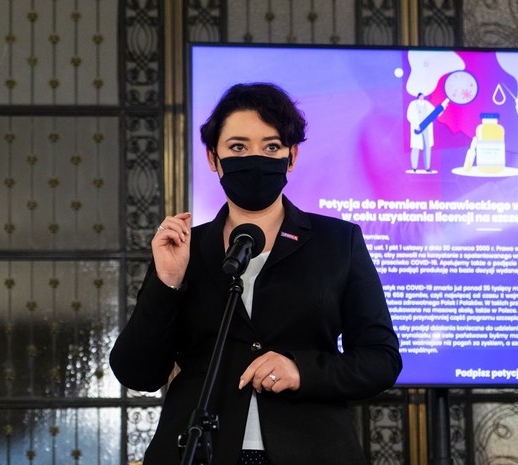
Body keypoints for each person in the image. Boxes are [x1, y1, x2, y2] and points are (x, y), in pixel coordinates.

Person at [110, 83, 402, 465]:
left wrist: (301, 370)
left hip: (313, 449)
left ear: (292, 156)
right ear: (213, 158)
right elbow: (137, 373)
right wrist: (168, 283)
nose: (255, 158)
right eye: (237, 147)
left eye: (271, 146)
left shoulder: (338, 241)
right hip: (198, 451)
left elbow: (381, 360)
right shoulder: (185, 248)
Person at [406, 92, 438, 172]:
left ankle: (427, 167)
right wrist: (416, 124)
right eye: (420, 96)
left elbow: (434, 112)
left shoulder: (427, 104)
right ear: (418, 96)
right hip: (417, 127)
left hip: (426, 127)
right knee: (416, 147)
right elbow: (409, 115)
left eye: (423, 96)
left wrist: (441, 109)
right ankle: (414, 167)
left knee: (427, 146)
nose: (422, 97)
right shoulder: (413, 104)